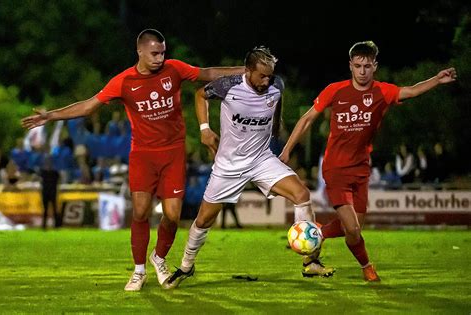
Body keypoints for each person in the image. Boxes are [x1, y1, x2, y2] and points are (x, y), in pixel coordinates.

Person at [21, 28, 245, 292]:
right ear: (139, 51)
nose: (160, 58)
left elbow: (206, 73)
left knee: (172, 215)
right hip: (142, 154)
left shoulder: (174, 69)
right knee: (140, 212)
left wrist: (245, 70)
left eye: (162, 52)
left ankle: (158, 259)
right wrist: (50, 116)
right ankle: (139, 271)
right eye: (154, 53)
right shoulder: (124, 81)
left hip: (173, 152)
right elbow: (88, 105)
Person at [279, 41, 457, 282]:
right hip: (335, 170)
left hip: (361, 170)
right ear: (350, 66)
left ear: (375, 66)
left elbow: (411, 91)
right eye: (358, 66)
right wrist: (287, 150)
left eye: (367, 66)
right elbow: (307, 119)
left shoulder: (382, 92)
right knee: (352, 228)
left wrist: (437, 79)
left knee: (352, 230)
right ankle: (367, 266)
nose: (362, 71)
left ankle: (316, 231)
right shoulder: (335, 90)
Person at [165, 46, 334, 289]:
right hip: (228, 165)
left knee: (301, 194)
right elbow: (200, 94)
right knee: (204, 220)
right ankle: (186, 266)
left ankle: (311, 262)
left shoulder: (277, 86)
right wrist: (204, 129)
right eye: (261, 76)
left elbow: (275, 109)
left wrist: (278, 140)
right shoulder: (228, 86)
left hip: (261, 159)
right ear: (248, 71)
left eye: (270, 76)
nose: (267, 81)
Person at [39, 154, 61, 229]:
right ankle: (44, 225)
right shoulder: (43, 172)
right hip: (45, 192)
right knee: (45, 209)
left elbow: (58, 182)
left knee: (54, 209)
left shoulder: (54, 172)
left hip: (52, 192)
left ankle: (56, 225)